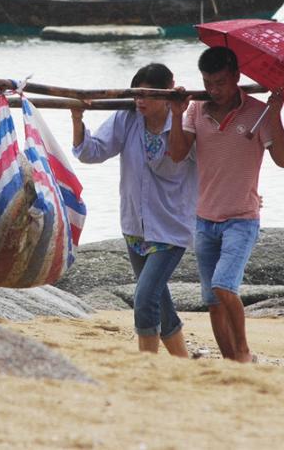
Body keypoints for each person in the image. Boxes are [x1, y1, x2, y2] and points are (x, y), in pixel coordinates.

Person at [168, 46, 284, 363]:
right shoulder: (196, 110)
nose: (213, 90)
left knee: (224, 286)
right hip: (204, 219)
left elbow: (283, 159)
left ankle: (243, 353)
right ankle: (230, 362)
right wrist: (175, 112)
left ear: (236, 77)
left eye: (220, 82)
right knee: (211, 299)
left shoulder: (257, 112)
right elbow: (178, 154)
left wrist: (275, 115)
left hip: (241, 219)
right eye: (208, 82)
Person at [71, 63, 197, 357]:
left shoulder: (186, 121)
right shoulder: (126, 118)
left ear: (166, 95)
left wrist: (178, 115)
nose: (141, 101)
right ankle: (183, 360)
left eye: (149, 95)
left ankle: (146, 364)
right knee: (157, 298)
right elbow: (92, 152)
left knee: (143, 298)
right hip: (134, 225)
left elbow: (181, 154)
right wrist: (78, 118)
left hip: (170, 226)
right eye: (137, 93)